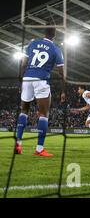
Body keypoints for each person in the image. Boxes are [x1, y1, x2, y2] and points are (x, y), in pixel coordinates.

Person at [15, 26, 65, 157]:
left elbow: (24, 63)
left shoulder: (33, 43)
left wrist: (21, 79)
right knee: (43, 114)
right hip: (41, 79)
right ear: (54, 35)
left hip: (27, 77)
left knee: (23, 111)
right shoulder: (56, 49)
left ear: (44, 32)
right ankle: (39, 149)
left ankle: (18, 143)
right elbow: (61, 73)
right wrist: (63, 90)